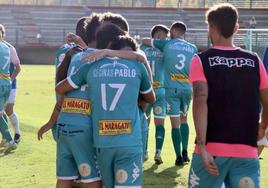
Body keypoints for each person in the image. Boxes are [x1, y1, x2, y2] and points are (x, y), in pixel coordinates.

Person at [56, 35, 155, 188]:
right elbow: (151, 98)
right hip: (129, 142)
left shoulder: (92, 66)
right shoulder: (137, 66)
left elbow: (60, 88)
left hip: (103, 143)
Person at [188, 3, 268, 188]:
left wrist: (202, 146)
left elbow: (200, 100)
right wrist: (263, 126)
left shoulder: (200, 60)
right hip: (247, 150)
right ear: (237, 28)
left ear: (211, 27)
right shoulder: (254, 60)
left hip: (211, 150)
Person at [38, 13, 102, 188]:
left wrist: (51, 122)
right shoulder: (97, 59)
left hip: (64, 123)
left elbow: (61, 93)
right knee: (92, 180)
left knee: (65, 178)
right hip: (84, 127)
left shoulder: (70, 55)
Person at [142, 21, 197, 166]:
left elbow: (144, 41)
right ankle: (185, 152)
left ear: (172, 31)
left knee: (173, 123)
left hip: (166, 89)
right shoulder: (193, 47)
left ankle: (177, 156)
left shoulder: (165, 45)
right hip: (186, 88)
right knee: (183, 119)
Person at [140, 24, 169, 164]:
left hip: (161, 92)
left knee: (160, 123)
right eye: (159, 33)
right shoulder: (143, 48)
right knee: (144, 123)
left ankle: (158, 152)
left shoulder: (166, 47)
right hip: (146, 92)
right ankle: (144, 152)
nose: (161, 36)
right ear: (154, 34)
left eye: (164, 34)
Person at [0, 24, 18, 154]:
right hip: (7, 82)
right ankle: (6, 140)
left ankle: (10, 140)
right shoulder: (7, 47)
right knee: (1, 112)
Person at [2, 39, 21, 144]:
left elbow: (18, 68)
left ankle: (17, 133)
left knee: (9, 110)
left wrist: (10, 80)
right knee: (1, 111)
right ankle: (5, 137)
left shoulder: (9, 48)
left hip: (9, 85)